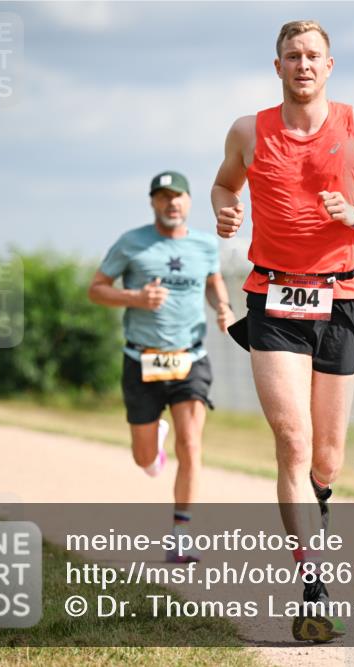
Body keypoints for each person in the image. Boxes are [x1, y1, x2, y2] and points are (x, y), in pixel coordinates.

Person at [211, 20, 354, 642]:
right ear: (277, 67)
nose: (303, 65)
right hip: (272, 295)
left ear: (330, 66)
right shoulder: (249, 131)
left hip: (342, 299)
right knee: (293, 443)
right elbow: (223, 182)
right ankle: (313, 585)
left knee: (327, 457)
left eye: (313, 56)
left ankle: (316, 517)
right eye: (292, 56)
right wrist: (223, 206)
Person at [88, 171, 233, 562]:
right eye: (164, 197)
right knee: (143, 458)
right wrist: (135, 297)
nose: (172, 204)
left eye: (179, 196)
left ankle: (181, 536)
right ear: (153, 202)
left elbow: (214, 280)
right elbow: (96, 288)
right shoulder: (132, 243)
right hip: (142, 361)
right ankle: (153, 451)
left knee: (191, 443)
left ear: (189, 201)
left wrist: (223, 306)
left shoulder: (205, 245)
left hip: (190, 358)